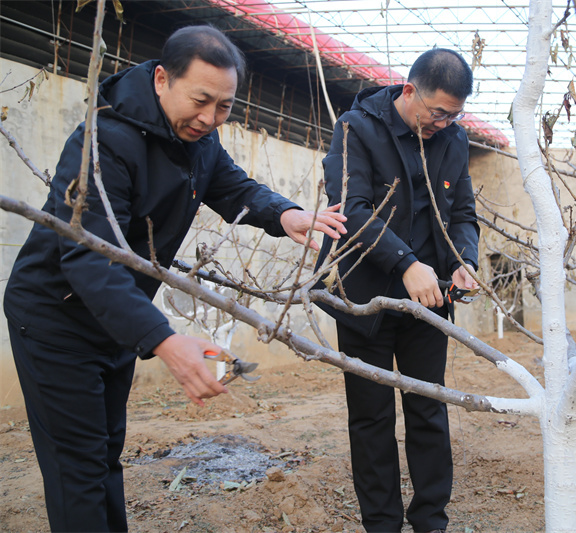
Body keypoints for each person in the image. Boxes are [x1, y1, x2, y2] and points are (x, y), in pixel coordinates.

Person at [3, 25, 346, 532]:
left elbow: (233, 186)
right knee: (77, 467)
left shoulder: (198, 139)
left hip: (116, 316)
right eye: (200, 101)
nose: (210, 118)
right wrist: (164, 340)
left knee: (105, 455)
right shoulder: (104, 141)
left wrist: (285, 214)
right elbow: (88, 258)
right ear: (162, 79)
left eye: (224, 106)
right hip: (56, 316)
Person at [314, 48, 480, 532]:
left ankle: (430, 521)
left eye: (454, 116)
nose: (444, 124)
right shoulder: (356, 128)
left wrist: (463, 261)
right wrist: (406, 264)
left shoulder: (453, 139)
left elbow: (462, 213)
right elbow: (351, 209)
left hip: (430, 301)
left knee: (429, 410)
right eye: (438, 113)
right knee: (371, 418)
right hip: (363, 296)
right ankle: (382, 524)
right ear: (409, 91)